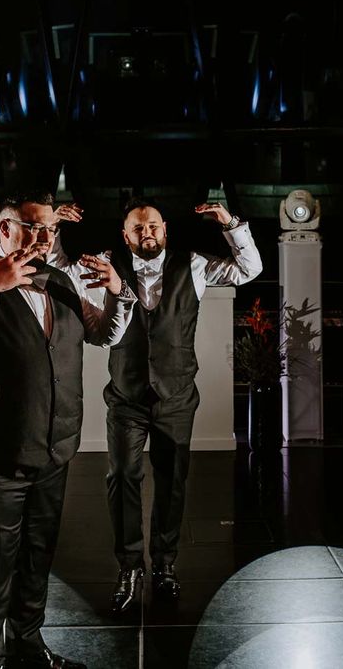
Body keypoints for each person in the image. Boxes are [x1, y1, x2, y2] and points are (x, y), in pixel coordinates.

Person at [0, 192, 136, 669]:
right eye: (31, 228)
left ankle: (27, 649)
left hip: (53, 448)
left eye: (49, 230)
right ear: (5, 229)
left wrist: (118, 291)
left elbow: (104, 333)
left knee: (36, 558)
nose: (42, 238)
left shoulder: (60, 280)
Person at [49, 196, 262, 612]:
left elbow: (250, 269)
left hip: (177, 398)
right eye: (138, 228)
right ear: (125, 235)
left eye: (153, 227)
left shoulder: (196, 265)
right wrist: (53, 228)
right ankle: (130, 567)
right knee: (122, 478)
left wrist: (231, 224)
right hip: (126, 398)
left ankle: (165, 565)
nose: (147, 233)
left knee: (171, 482)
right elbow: (59, 272)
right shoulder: (107, 263)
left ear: (165, 231)